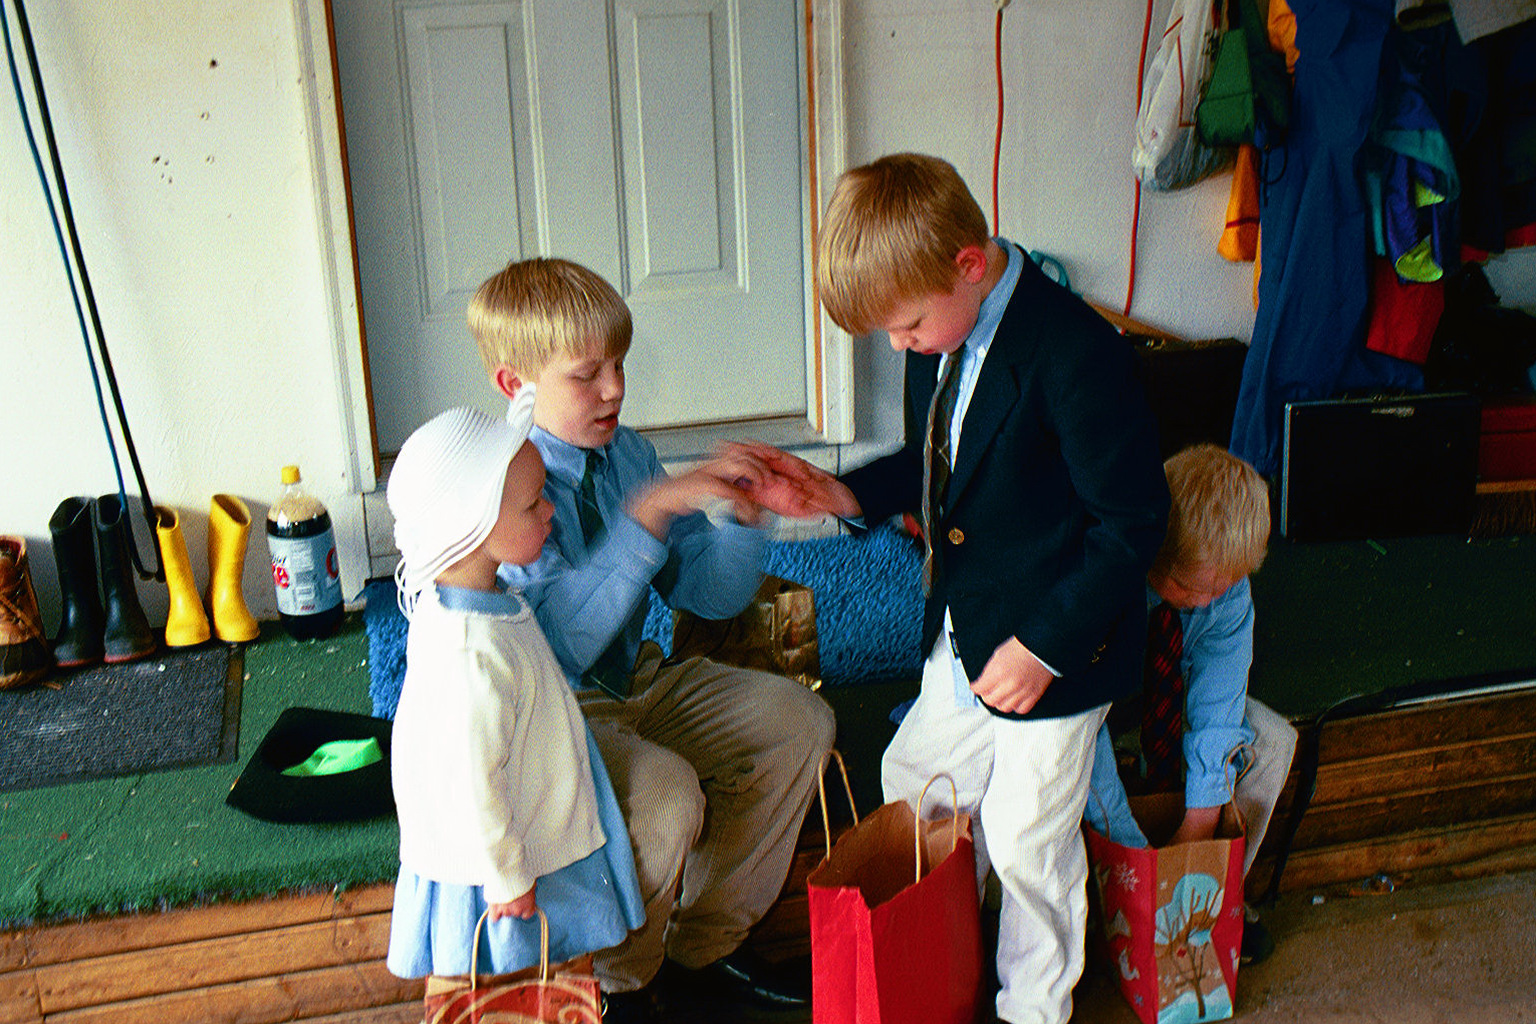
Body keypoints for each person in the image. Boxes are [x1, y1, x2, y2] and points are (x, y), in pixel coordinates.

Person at [749, 152, 1171, 1024]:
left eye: (905, 325)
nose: (898, 345)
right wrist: (840, 495)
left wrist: (1045, 647)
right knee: (913, 780)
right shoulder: (941, 327)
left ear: (968, 264)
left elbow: (1131, 522)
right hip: (966, 624)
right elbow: (941, 461)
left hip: (1059, 642)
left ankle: (1033, 1007)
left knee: (1024, 835)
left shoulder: (1077, 353)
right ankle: (943, 973)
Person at [473, 257, 836, 1023]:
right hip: (554, 710)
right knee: (665, 797)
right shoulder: (498, 487)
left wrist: (745, 511)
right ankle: (622, 987)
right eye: (586, 375)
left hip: (638, 682)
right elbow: (563, 647)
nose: (614, 388)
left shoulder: (628, 455)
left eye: (619, 364)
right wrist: (649, 513)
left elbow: (707, 593)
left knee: (799, 721)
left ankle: (705, 949)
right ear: (515, 384)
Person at [382, 397, 645, 1011]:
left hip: (531, 828)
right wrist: (507, 877)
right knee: (508, 979)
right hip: (509, 863)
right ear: (471, 524)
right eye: (531, 504)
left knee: (550, 972)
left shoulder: (479, 600)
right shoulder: (469, 652)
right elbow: (473, 779)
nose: (549, 508)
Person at [1083, 442, 1299, 963]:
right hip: (1097, 714)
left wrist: (1196, 834)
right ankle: (1097, 914)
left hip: (1169, 704)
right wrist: (1139, 859)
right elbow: (1079, 728)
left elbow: (1219, 704)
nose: (1204, 602)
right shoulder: (1106, 570)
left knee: (1273, 741)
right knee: (1049, 762)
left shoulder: (1224, 591)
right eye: (1185, 586)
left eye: (1218, 589)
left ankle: (1214, 897)